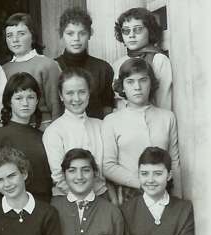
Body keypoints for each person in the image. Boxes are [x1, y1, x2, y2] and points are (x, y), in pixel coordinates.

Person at [102, 58, 181, 205]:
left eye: (143, 80)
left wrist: (177, 200)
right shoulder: (111, 121)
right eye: (130, 81)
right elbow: (108, 166)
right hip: (129, 195)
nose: (137, 87)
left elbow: (174, 162)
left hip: (164, 192)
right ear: (122, 87)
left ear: (151, 83)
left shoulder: (167, 117)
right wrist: (142, 183)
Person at [42, 68, 108, 198]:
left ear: (89, 92)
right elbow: (58, 176)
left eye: (82, 92)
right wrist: (85, 198)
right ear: (61, 96)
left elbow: (107, 168)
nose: (76, 99)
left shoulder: (100, 126)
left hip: (101, 195)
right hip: (68, 198)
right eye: (70, 93)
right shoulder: (54, 131)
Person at [0, 72, 53, 203]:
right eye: (18, 98)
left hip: (44, 205)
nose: (25, 103)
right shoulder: (0, 136)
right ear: (9, 102)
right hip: (14, 207)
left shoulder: (43, 136)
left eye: (30, 97)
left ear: (37, 101)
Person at [1, 13, 62, 127]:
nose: (15, 40)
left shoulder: (47, 64)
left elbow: (56, 106)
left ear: (32, 36)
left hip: (43, 127)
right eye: (9, 35)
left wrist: (56, 133)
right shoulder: (3, 69)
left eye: (21, 34)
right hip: (15, 128)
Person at [54, 7, 115, 119]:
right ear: (61, 34)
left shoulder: (103, 68)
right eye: (70, 33)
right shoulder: (52, 67)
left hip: (96, 131)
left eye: (82, 33)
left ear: (90, 33)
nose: (76, 39)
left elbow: (107, 108)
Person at [112, 7, 172, 110]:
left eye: (138, 29)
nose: (131, 35)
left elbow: (164, 103)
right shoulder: (117, 64)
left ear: (150, 31)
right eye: (126, 31)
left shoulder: (158, 60)